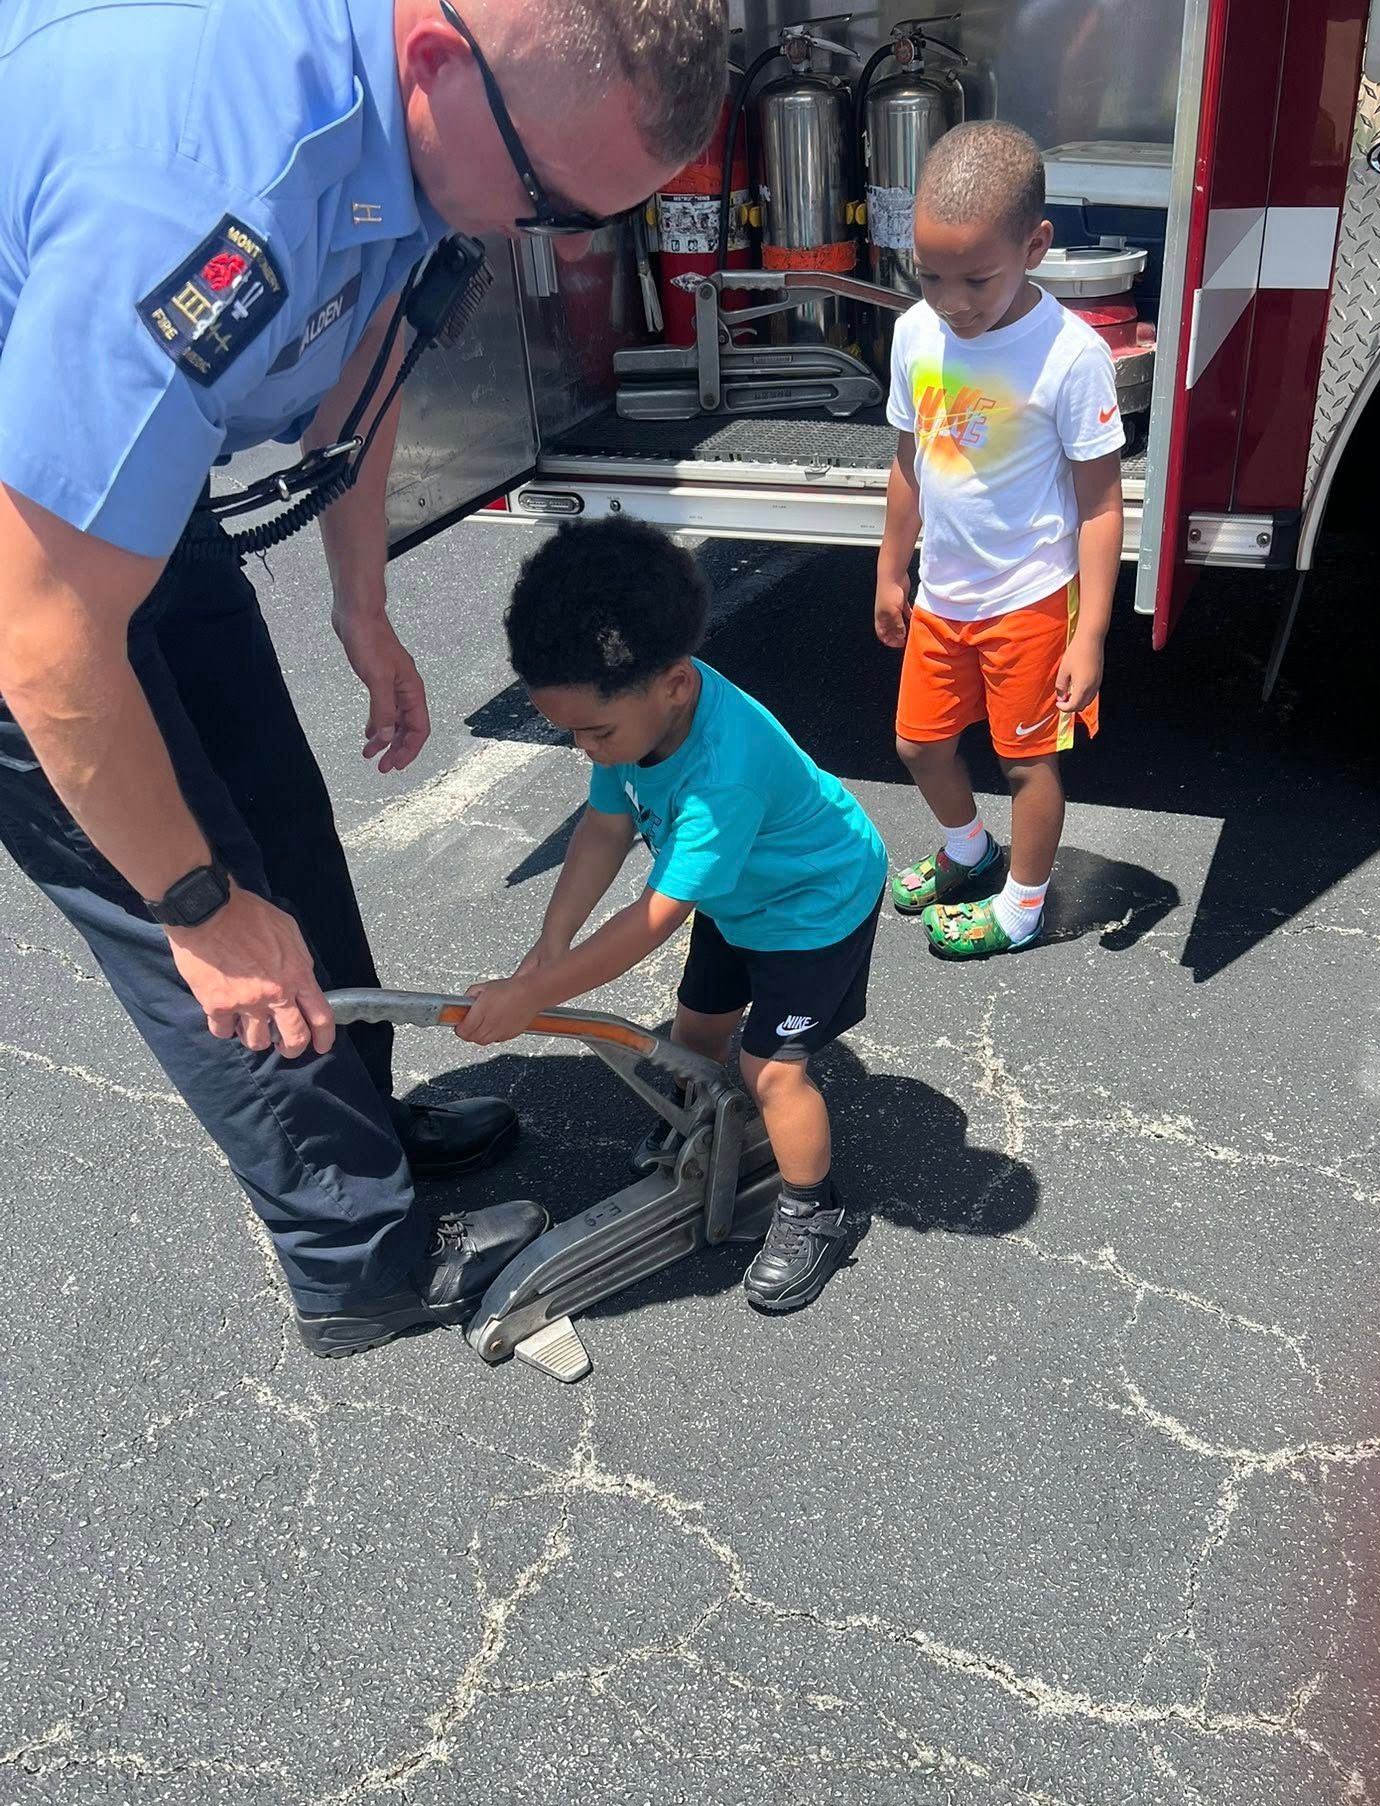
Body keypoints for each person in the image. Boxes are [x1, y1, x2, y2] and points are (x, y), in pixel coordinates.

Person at [0, 0, 727, 1357]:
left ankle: (363, 1124)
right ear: (437, 66)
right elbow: (42, 639)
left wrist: (363, 598)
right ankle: (361, 1260)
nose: (541, 235)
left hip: (108, 470)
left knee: (278, 817)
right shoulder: (198, 191)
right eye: (548, 202)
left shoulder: (426, 132)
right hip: (21, 548)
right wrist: (196, 906)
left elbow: (373, 350)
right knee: (197, 888)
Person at [453, 517, 888, 1315]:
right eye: (570, 732)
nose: (584, 748)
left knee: (772, 1070)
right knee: (694, 1032)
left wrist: (538, 995)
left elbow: (654, 917)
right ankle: (708, 1131)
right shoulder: (636, 722)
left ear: (677, 684)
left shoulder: (723, 775)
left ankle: (813, 1211)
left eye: (595, 731)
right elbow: (604, 828)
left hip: (812, 907)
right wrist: (548, 947)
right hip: (738, 895)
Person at [873, 120, 1125, 961]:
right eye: (929, 275)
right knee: (918, 743)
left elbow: (1101, 506)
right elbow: (909, 461)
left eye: (976, 279)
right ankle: (969, 849)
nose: (951, 301)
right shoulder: (916, 334)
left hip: (1031, 602)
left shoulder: (1070, 355)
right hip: (944, 595)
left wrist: (1089, 634)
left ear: (1035, 246)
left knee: (1028, 764)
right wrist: (891, 570)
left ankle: (1020, 908)